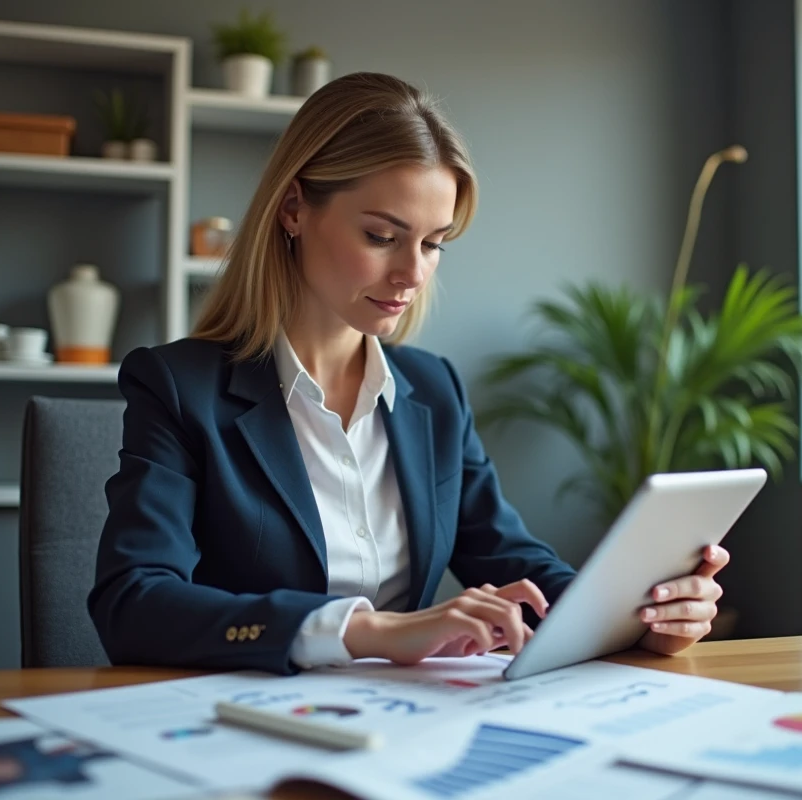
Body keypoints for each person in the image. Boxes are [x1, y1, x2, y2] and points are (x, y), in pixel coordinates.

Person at [88, 72, 729, 676]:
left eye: (432, 243)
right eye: (381, 235)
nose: (413, 274)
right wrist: (367, 631)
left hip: (405, 731)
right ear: (292, 209)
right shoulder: (178, 387)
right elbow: (133, 605)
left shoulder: (433, 391)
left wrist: (644, 617)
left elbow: (515, 559)